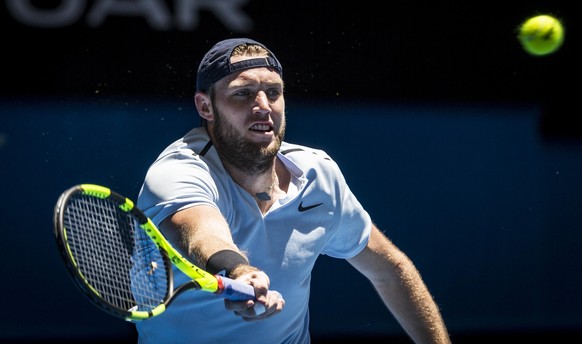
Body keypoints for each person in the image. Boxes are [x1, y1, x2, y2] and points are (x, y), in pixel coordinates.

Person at [135, 37, 451, 344]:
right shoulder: (177, 171)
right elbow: (200, 233)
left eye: (273, 92)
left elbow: (390, 269)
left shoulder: (318, 176)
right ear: (205, 106)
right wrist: (238, 270)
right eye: (243, 94)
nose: (263, 106)